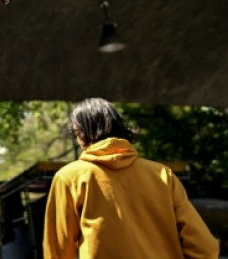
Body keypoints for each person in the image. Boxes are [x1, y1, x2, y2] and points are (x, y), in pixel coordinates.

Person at [43, 98, 219, 259]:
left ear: (81, 133)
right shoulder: (162, 175)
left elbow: (58, 250)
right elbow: (205, 247)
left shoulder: (69, 177)